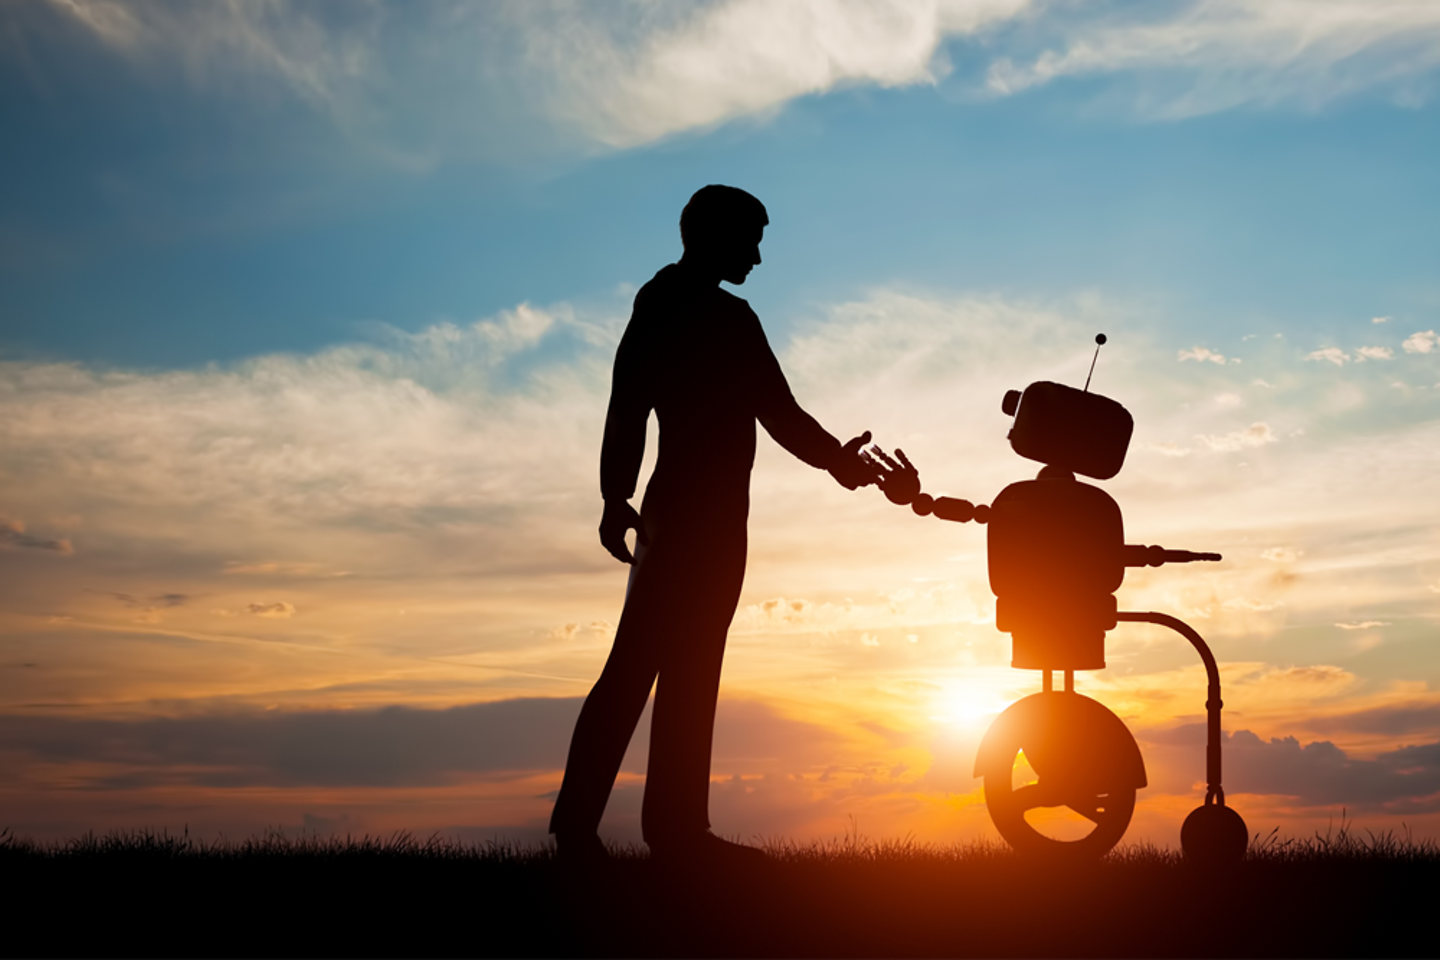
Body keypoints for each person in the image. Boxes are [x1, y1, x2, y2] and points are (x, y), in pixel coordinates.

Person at [549, 185, 878, 865]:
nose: (758, 256)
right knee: (641, 666)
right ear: (710, 236)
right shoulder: (694, 310)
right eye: (749, 240)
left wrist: (840, 464)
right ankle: (598, 829)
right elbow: (635, 404)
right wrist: (614, 494)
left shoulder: (693, 308)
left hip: (708, 517)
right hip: (689, 518)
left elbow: (772, 412)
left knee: (690, 667)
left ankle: (670, 829)